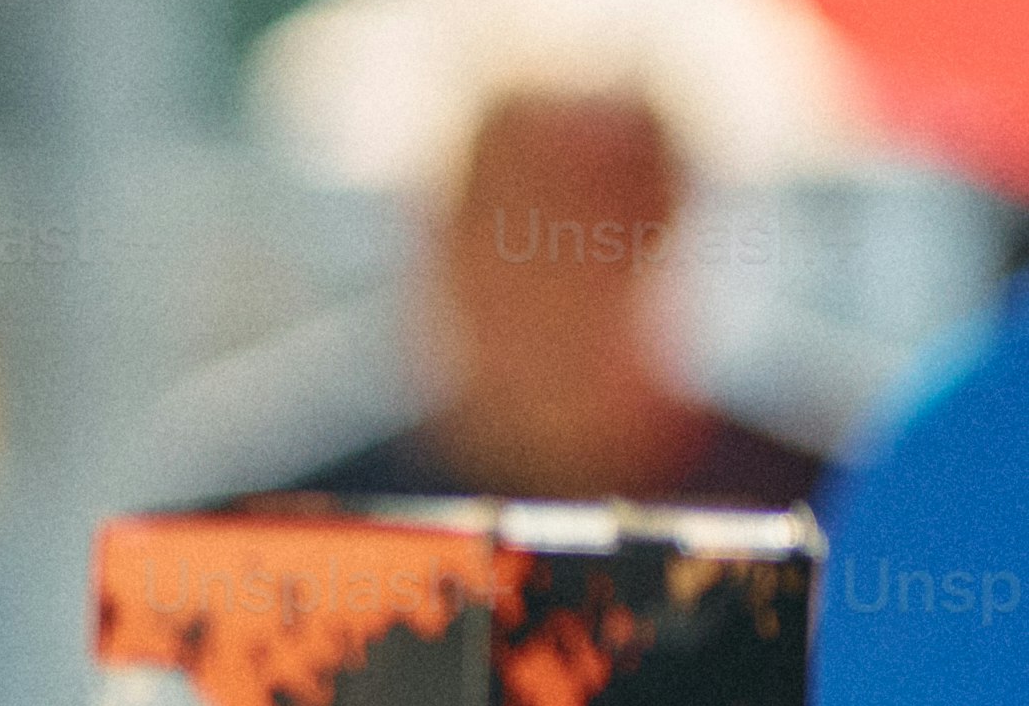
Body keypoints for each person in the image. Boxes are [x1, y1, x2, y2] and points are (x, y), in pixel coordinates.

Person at [262, 84, 831, 514]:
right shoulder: (308, 524)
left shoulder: (816, 512)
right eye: (477, 217)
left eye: (554, 219)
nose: (488, 263)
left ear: (652, 232)